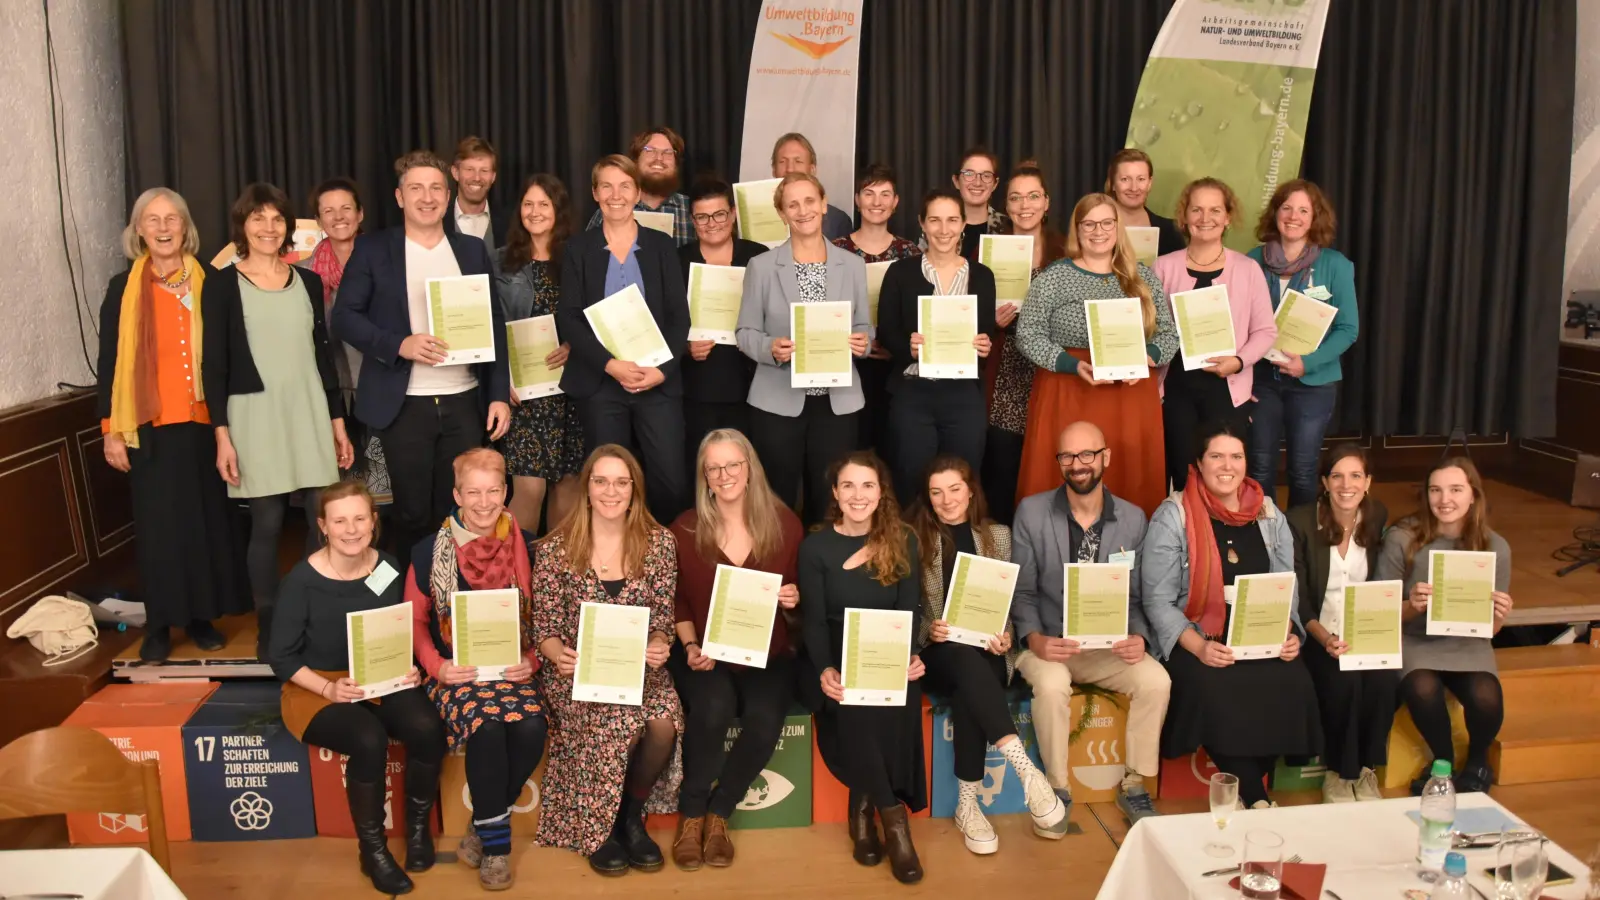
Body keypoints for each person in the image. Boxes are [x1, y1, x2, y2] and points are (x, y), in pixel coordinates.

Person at [332, 150, 512, 558]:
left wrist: (498, 392)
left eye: (435, 189)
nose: (426, 197)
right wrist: (399, 344)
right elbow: (344, 317)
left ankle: (456, 605)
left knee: (461, 511)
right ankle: (416, 606)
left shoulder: (469, 250)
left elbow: (494, 322)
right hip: (404, 404)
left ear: (448, 197)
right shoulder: (375, 249)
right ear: (399, 197)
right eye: (416, 188)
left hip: (465, 400)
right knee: (411, 513)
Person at [270, 480, 446, 896]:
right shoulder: (301, 581)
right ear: (323, 527)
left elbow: (400, 624)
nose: (351, 529)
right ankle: (373, 852)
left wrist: (411, 666)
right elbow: (281, 658)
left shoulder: (386, 566)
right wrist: (328, 691)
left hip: (378, 673)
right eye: (340, 521)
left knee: (427, 727)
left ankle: (417, 830)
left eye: (360, 518)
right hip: (317, 686)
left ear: (374, 521)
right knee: (368, 738)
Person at [97, 187, 246, 661]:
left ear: (186, 227)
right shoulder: (123, 289)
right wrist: (110, 430)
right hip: (148, 428)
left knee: (205, 526)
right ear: (138, 230)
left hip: (205, 426)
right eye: (152, 220)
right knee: (161, 531)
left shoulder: (214, 282)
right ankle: (160, 623)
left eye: (172, 219)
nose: (163, 228)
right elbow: (108, 364)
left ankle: (200, 616)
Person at [1141, 421, 1322, 809]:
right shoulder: (1173, 516)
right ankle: (1256, 799)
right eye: (1217, 456)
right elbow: (1156, 600)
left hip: (1258, 637)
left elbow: (1285, 586)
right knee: (1214, 687)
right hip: (1196, 640)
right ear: (1199, 464)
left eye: (1236, 456)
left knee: (1294, 680)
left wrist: (1289, 633)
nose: (1228, 465)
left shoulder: (1269, 515)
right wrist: (1199, 647)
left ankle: (1245, 788)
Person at [205, 183, 352, 659]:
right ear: (242, 226)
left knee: (318, 519)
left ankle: (314, 612)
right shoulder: (224, 283)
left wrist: (337, 423)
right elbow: (216, 366)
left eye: (276, 219)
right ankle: (271, 623)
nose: (268, 228)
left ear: (288, 227)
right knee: (267, 523)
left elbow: (324, 360)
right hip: (253, 414)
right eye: (257, 219)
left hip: (309, 409)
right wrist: (222, 438)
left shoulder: (307, 282)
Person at [530, 445, 682, 875]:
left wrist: (658, 643)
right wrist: (558, 655)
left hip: (637, 668)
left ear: (634, 490)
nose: (610, 491)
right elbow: (544, 627)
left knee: (663, 720)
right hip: (577, 673)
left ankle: (630, 816)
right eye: (601, 481)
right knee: (616, 721)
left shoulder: (659, 543)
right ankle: (602, 828)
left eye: (621, 482)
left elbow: (663, 618)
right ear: (587, 489)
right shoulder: (557, 547)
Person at [1011, 421, 1172, 823]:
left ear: (1106, 458)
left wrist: (1139, 636)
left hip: (1105, 647)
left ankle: (1135, 785)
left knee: (1157, 680)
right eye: (1067, 456)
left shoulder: (1133, 520)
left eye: (1087, 455)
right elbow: (1022, 590)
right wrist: (1034, 639)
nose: (1078, 464)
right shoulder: (1032, 512)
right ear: (1059, 462)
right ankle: (1057, 789)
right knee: (1051, 685)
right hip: (1049, 643)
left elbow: (1137, 595)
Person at [405, 449, 547, 890]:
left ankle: (481, 827)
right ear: (456, 495)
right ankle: (498, 851)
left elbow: (547, 617)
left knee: (532, 727)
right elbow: (412, 619)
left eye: (492, 491)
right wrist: (437, 666)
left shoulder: (527, 545)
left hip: (511, 668)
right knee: (488, 727)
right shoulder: (430, 550)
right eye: (473, 492)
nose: (483, 503)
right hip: (458, 673)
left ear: (505, 492)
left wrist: (533, 660)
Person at [910, 456, 1067, 855]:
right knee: (964, 663)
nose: (946, 500)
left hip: (988, 651)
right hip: (940, 653)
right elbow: (906, 606)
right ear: (928, 497)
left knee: (973, 681)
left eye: (955, 489)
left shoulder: (997, 535)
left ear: (971, 489)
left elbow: (1012, 602)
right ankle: (1027, 771)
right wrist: (929, 628)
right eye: (936, 492)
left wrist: (1005, 635)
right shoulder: (915, 537)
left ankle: (968, 805)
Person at [667, 429, 804, 870]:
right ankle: (690, 814)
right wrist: (689, 646)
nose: (724, 475)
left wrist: (794, 599)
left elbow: (802, 596)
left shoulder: (785, 524)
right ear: (704, 476)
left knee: (765, 721)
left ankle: (720, 811)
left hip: (768, 653)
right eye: (714, 468)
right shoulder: (685, 528)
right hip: (707, 653)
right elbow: (679, 601)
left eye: (733, 465)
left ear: (750, 469)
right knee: (712, 709)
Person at [799, 451, 926, 884]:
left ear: (881, 492)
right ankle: (896, 826)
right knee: (853, 704)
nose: (858, 495)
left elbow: (910, 608)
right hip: (836, 654)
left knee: (898, 697)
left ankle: (862, 810)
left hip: (887, 652)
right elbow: (814, 620)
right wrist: (824, 669)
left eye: (867, 485)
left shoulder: (903, 538)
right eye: (848, 485)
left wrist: (909, 656)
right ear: (835, 493)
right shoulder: (816, 546)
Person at [1013, 193, 1178, 514]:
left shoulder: (1142, 277)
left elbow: (1169, 335)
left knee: (1129, 479)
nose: (1098, 231)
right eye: (1088, 223)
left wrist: (1148, 357)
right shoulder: (1054, 277)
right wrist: (1071, 364)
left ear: (1118, 227)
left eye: (1106, 223)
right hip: (1069, 391)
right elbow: (1028, 335)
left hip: (1129, 398)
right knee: (1067, 477)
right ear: (1077, 229)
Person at [558, 155, 691, 526]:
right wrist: (610, 365)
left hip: (656, 382)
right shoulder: (578, 249)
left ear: (636, 192)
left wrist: (662, 371)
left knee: (670, 481)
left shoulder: (662, 246)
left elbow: (680, 317)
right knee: (605, 485)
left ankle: (666, 562)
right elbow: (568, 317)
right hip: (601, 383)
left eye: (625, 186)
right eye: (607, 186)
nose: (616, 195)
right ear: (595, 193)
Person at [737, 173, 872, 526]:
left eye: (810, 201)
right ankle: (780, 578)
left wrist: (863, 342)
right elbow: (745, 332)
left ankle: (820, 575)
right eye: (792, 204)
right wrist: (771, 348)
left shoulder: (853, 265)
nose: (803, 210)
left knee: (829, 502)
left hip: (836, 403)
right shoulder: (762, 267)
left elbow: (864, 326)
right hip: (778, 402)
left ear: (824, 204)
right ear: (782, 213)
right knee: (776, 500)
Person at [1375, 457, 1514, 794]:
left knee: (1486, 697)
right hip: (1414, 638)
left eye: (1455, 489)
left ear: (1473, 496)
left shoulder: (1495, 546)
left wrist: (1499, 615)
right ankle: (1444, 760)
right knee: (1422, 688)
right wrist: (1411, 605)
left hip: (1468, 643)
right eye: (1435, 490)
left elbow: (1491, 631)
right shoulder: (1402, 538)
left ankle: (1478, 759)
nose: (1444, 499)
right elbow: (1379, 610)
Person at [1153, 178, 1276, 494]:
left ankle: (1222, 542)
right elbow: (1149, 328)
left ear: (1227, 218)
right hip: (1177, 390)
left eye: (1214, 210)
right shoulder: (1161, 268)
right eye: (1196, 209)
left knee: (1224, 478)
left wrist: (1238, 361)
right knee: (1182, 476)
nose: (1204, 218)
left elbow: (1265, 331)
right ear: (1184, 216)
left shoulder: (1248, 269)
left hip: (1228, 389)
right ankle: (1189, 542)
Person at [1287, 443, 1393, 803]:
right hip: (1317, 635)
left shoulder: (1377, 515)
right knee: (1343, 680)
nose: (1346, 485)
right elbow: (1297, 597)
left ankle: (1365, 771)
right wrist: (1325, 637)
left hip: (1365, 631)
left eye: (1355, 476)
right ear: (1324, 481)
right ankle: (1338, 773)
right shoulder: (1300, 521)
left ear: (1368, 482)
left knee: (1383, 679)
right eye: (1337, 476)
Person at [877, 188, 997, 500]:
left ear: (963, 225)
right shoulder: (900, 272)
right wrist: (909, 347)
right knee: (912, 485)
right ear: (922, 224)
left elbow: (984, 335)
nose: (944, 230)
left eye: (952, 220)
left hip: (963, 395)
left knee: (962, 485)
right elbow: (887, 331)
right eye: (935, 220)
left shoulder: (982, 276)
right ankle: (915, 549)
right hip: (914, 393)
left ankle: (957, 549)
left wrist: (984, 345)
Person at [1247, 179, 1360, 507]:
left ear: (1315, 217)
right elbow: (1238, 324)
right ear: (1275, 213)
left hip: (1313, 382)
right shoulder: (1251, 261)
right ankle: (1264, 542)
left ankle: (1299, 545)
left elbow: (1348, 329)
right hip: (1261, 382)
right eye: (1286, 208)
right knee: (1260, 467)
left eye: (1303, 210)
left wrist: (1306, 363)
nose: (1293, 216)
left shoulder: (1335, 265)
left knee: (1303, 469)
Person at [495, 174, 584, 534]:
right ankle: (516, 576)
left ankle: (552, 580)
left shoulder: (579, 257)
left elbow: (593, 315)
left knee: (568, 487)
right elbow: (490, 323)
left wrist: (575, 345)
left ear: (558, 210)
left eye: (544, 204)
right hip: (525, 393)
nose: (534, 212)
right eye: (528, 204)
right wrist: (503, 380)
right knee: (529, 488)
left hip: (573, 387)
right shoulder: (502, 261)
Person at [982, 166, 1068, 524]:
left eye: (1033, 196)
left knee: (1045, 477)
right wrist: (990, 322)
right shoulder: (986, 253)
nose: (1024, 205)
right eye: (1015, 197)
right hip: (1003, 381)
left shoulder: (1066, 252)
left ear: (1046, 202)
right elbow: (966, 315)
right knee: (1001, 476)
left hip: (1050, 378)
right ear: (1006, 204)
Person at [831, 163, 920, 459]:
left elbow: (920, 312)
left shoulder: (911, 254)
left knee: (893, 454)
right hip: (847, 365)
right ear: (857, 200)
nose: (877, 202)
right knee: (850, 453)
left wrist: (896, 346)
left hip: (897, 367)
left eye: (885, 194)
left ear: (896, 202)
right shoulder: (835, 250)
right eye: (869, 194)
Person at [677, 177, 768, 462]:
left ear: (733, 214)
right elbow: (661, 320)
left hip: (751, 385)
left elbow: (776, 315)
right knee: (701, 466)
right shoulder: (676, 260)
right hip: (697, 386)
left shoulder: (758, 257)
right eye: (702, 217)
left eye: (719, 214)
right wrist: (685, 346)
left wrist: (755, 338)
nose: (711, 223)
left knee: (745, 467)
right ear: (692, 220)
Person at [300, 178, 367, 427]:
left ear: (360, 213)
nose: (338, 217)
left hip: (379, 392)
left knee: (378, 464)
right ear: (318, 221)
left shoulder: (384, 264)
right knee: (337, 465)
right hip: (326, 394)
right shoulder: (302, 275)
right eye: (328, 211)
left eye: (346, 208)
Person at [586, 126, 694, 244]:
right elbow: (586, 255)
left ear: (676, 164)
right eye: (650, 151)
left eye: (667, 152)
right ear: (636, 159)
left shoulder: (692, 209)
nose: (659, 158)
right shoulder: (612, 208)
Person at [770, 132, 854, 240]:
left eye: (798, 161)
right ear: (773, 170)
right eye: (782, 162)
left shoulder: (837, 221)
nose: (790, 169)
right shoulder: (753, 217)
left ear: (812, 169)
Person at [1102, 149, 1184, 256]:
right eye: (1125, 179)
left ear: (1149, 183)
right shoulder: (1094, 229)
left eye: (1141, 179)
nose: (1134, 188)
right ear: (1112, 184)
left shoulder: (1170, 231)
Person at [943, 146, 1009, 259]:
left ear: (995, 184)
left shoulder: (1008, 227)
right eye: (969, 174)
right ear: (956, 181)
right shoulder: (939, 225)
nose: (978, 182)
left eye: (986, 175)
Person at [443, 136, 505, 255]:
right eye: (469, 169)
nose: (477, 178)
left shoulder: (509, 223)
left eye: (484, 171)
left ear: (493, 177)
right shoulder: (439, 222)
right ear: (455, 173)